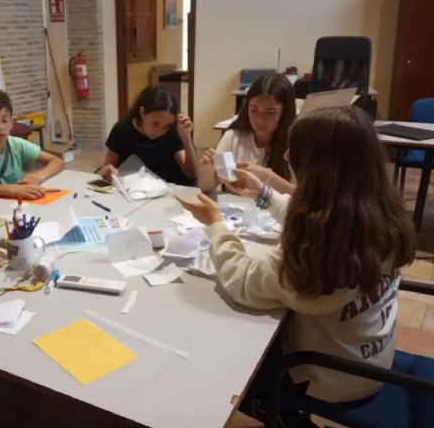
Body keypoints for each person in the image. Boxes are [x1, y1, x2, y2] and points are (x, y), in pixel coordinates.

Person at [177, 106, 415, 414]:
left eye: (296, 153)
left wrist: (215, 224)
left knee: (226, 357)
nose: (287, 157)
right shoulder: (379, 216)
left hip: (328, 377)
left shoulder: (317, 255)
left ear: (319, 169)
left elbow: (242, 279)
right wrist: (265, 196)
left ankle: (274, 414)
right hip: (372, 358)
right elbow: (324, 216)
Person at [199, 73, 296, 194]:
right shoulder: (233, 137)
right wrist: (208, 170)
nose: (260, 119)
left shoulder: (296, 144)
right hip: (238, 210)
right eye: (254, 109)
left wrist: (267, 177)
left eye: (270, 112)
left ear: (285, 113)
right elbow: (207, 187)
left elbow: (303, 198)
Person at [0, 89, 64, 199]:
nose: (0, 127)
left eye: (4, 121)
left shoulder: (16, 144)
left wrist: (38, 176)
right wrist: (15, 190)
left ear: (11, 122)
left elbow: (57, 161)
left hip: (10, 204)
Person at [100, 86, 198, 186]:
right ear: (142, 112)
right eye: (156, 124)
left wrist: (186, 137)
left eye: (166, 126)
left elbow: (192, 174)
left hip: (164, 189)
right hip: (131, 188)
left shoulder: (173, 130)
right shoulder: (122, 129)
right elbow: (109, 165)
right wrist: (108, 170)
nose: (160, 132)